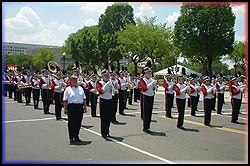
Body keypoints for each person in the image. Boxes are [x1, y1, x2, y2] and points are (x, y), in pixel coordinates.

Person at [63, 75, 87, 144]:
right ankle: (71, 137)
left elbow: (84, 98)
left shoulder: (80, 88)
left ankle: (76, 136)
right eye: (73, 80)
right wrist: (65, 108)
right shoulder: (68, 89)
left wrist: (85, 107)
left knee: (78, 122)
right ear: (70, 81)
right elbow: (65, 100)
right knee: (71, 123)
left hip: (79, 107)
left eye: (76, 80)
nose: (75, 81)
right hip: (71, 107)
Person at [96, 69, 115, 138]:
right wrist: (107, 84)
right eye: (105, 75)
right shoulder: (99, 82)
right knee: (103, 117)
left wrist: (112, 87)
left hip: (109, 100)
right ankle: (103, 132)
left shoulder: (110, 82)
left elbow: (114, 92)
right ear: (102, 76)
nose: (107, 77)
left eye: (108, 75)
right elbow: (100, 91)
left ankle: (107, 131)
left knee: (109, 117)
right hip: (103, 100)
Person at [139, 67, 157, 133]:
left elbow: (154, 89)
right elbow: (144, 88)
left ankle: (148, 127)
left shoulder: (152, 80)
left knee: (150, 112)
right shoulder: (142, 80)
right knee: (146, 112)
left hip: (151, 96)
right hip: (145, 96)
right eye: (148, 73)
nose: (149, 74)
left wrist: (155, 85)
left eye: (150, 72)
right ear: (145, 73)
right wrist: (152, 83)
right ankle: (145, 128)